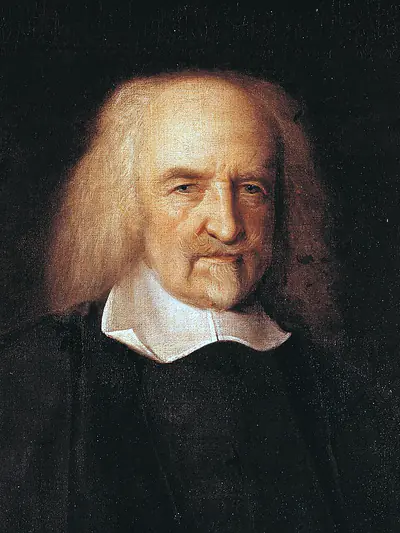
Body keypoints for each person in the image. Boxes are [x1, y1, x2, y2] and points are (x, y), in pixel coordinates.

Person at [0, 70, 398, 532]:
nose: (228, 226)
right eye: (186, 188)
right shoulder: (30, 376)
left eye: (251, 188)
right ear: (128, 205)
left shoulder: (345, 398)